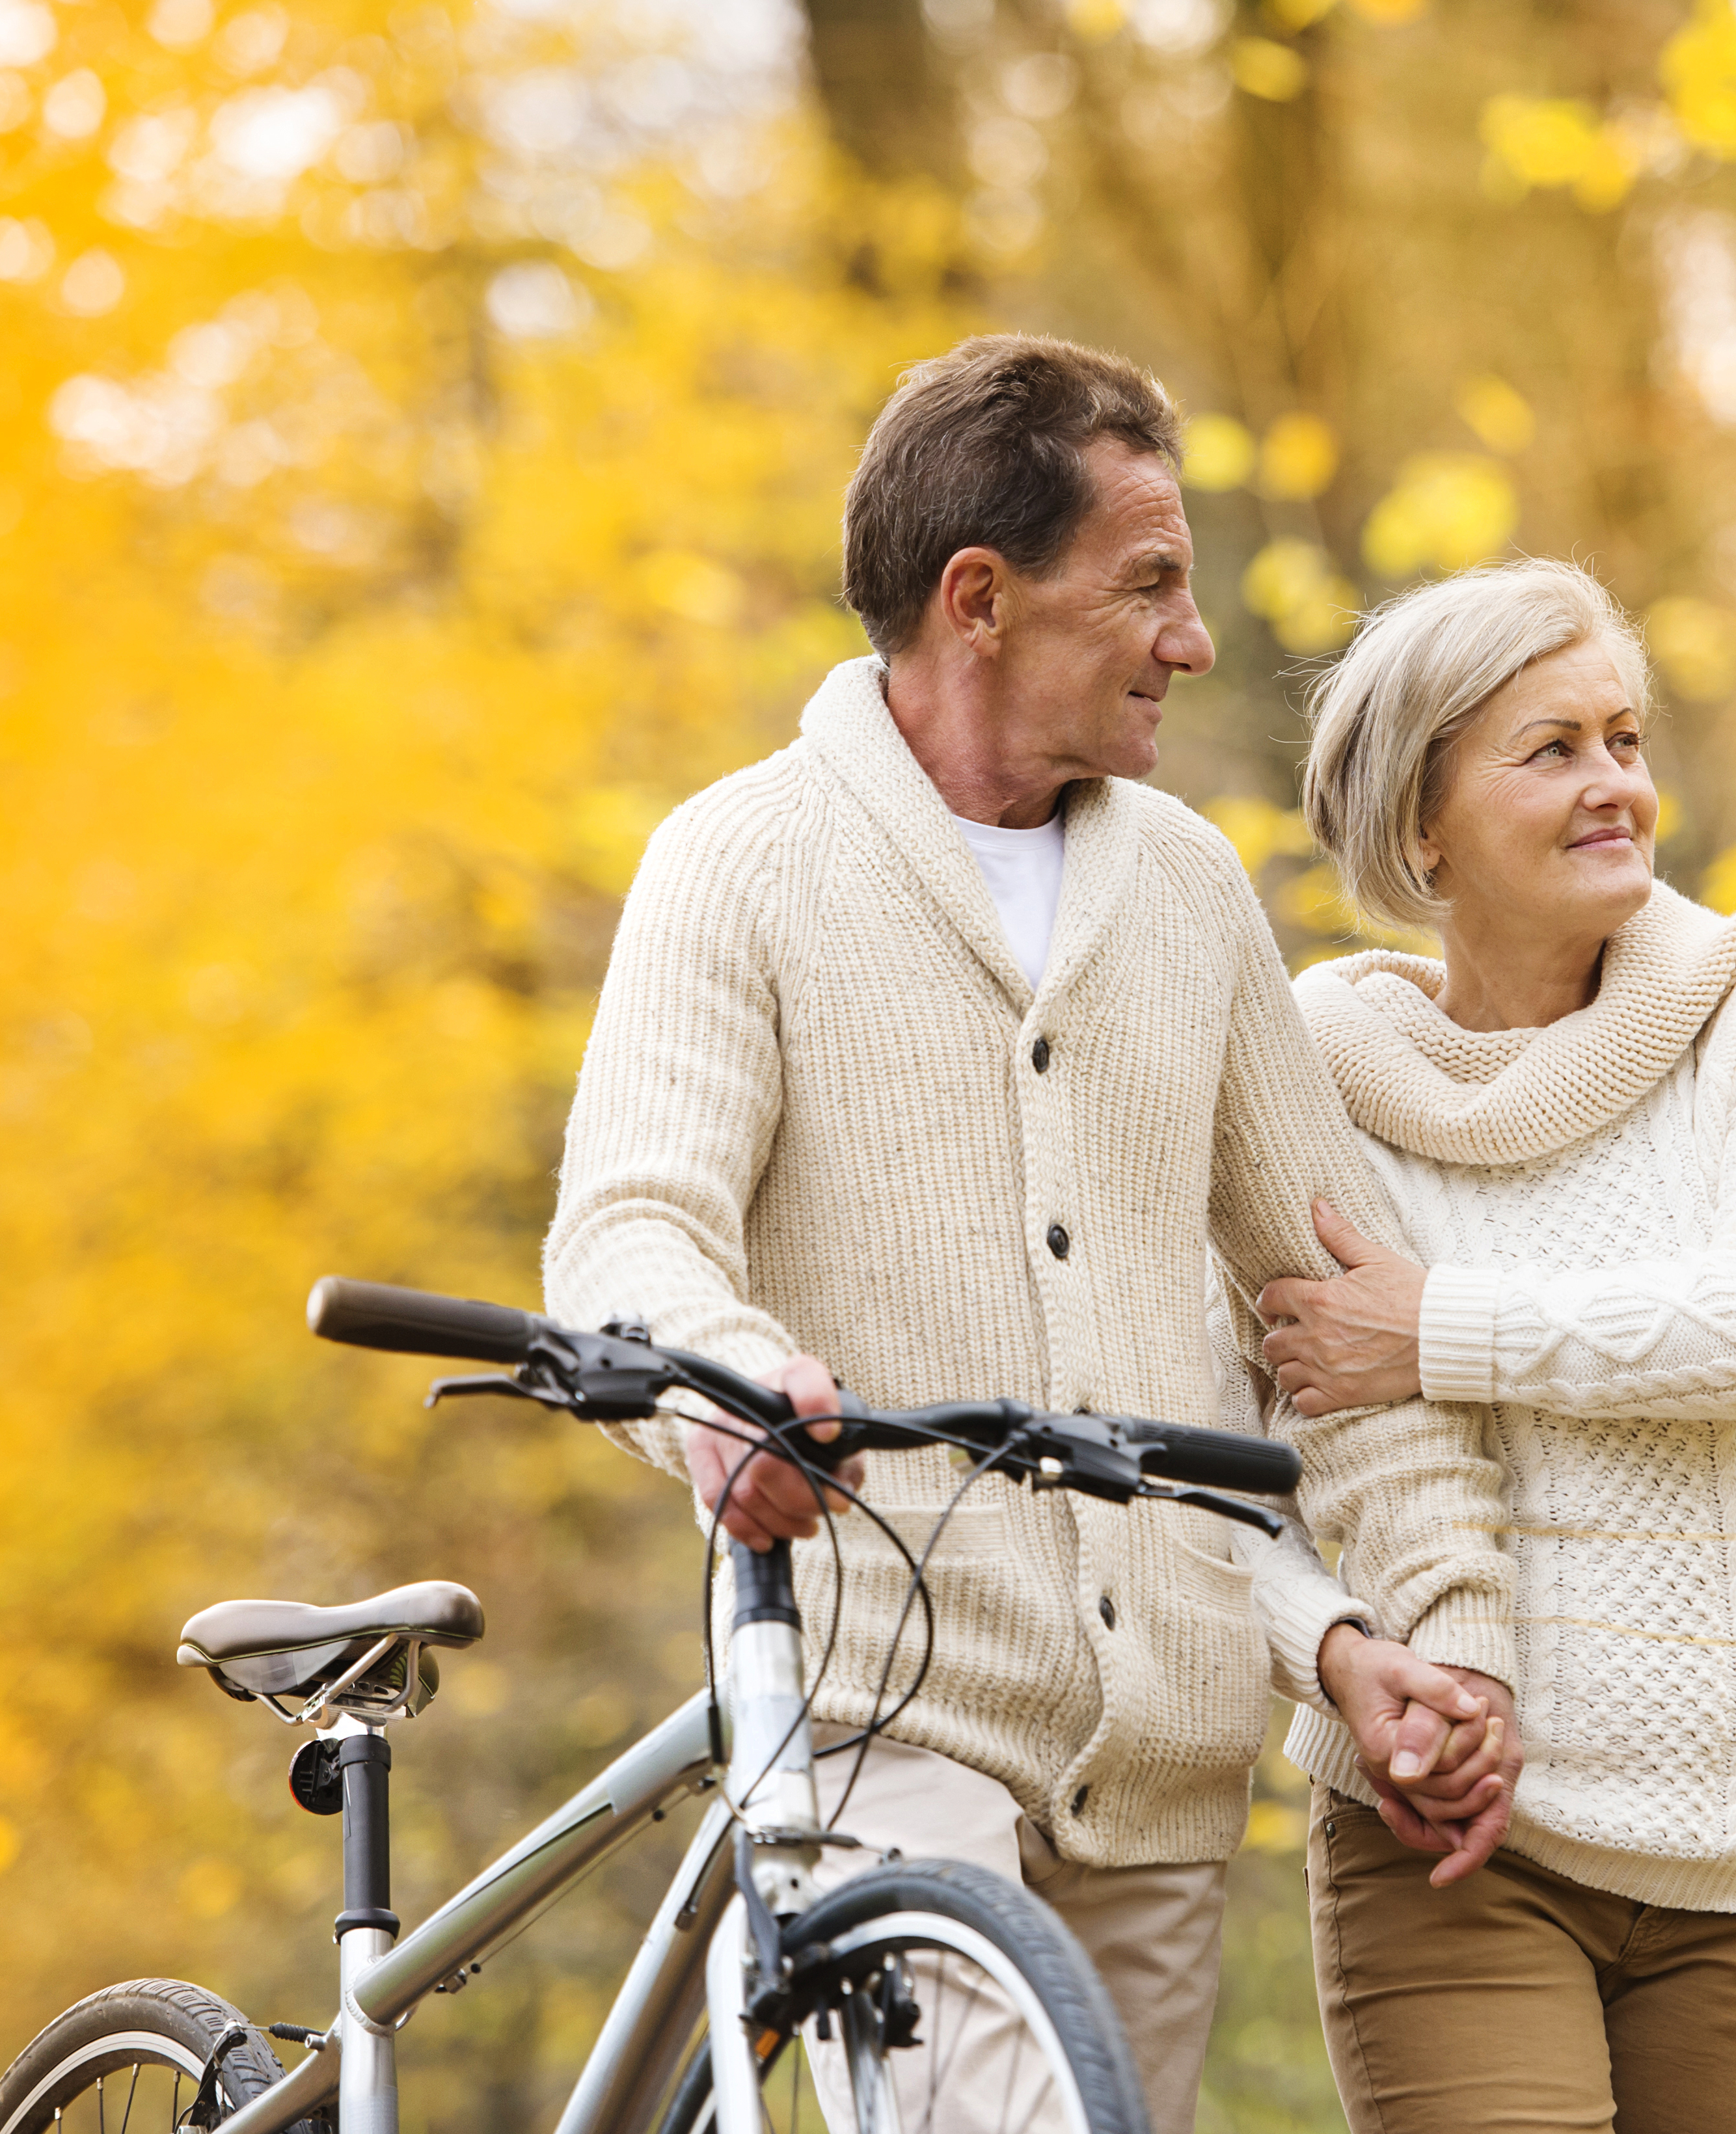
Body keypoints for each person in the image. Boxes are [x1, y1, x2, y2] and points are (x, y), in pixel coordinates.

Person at [541, 334, 1521, 2134]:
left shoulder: (1191, 893)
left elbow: (1341, 1308)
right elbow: (631, 1230)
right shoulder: (738, 865)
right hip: (883, 1712)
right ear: (979, 597)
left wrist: (1435, 1629)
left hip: (1158, 1763)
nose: (1195, 639)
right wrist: (729, 1386)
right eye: (1149, 583)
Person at [1228, 558, 1736, 2134]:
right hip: (1453, 1845)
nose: (1618, 788)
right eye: (1553, 749)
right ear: (1422, 824)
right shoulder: (1307, 1075)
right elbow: (1201, 1459)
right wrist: (1330, 1647)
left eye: (1625, 739)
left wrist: (1434, 1331)